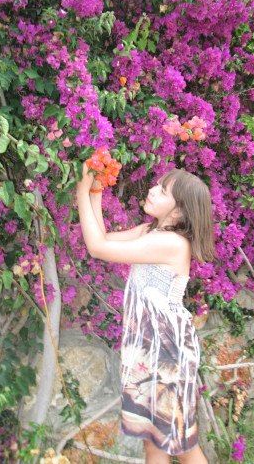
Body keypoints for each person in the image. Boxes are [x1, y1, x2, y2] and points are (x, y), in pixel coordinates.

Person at [76, 164, 216, 464]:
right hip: (147, 349)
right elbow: (103, 238)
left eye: (162, 191)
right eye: (157, 185)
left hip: (166, 353)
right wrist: (95, 191)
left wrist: (80, 190)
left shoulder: (170, 243)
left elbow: (97, 248)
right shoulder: (151, 231)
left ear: (178, 212)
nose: (152, 190)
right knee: (153, 442)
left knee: (182, 445)